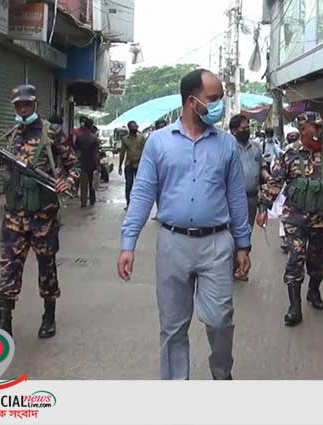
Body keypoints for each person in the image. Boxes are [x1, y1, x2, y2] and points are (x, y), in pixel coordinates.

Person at [118, 68, 252, 380]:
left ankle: (222, 373)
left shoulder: (227, 146)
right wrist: (129, 243)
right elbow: (141, 194)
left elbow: (236, 198)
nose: (219, 105)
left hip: (216, 244)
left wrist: (243, 245)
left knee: (220, 320)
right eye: (214, 99)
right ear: (192, 101)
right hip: (172, 244)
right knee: (173, 326)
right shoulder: (158, 143)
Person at [0, 84, 79, 339]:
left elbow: (74, 165)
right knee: (9, 267)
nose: (23, 108)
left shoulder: (52, 133)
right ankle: (4, 320)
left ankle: (48, 315)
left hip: (43, 217)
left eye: (27, 104)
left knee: (47, 267)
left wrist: (67, 181)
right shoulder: (12, 134)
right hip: (14, 216)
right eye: (19, 105)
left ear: (35, 104)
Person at [256, 112, 323, 327]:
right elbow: (276, 181)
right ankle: (294, 305)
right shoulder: (289, 154)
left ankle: (314, 292)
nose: (319, 129)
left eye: (321, 126)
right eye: (315, 126)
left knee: (319, 262)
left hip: (321, 218)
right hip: (295, 218)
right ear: (303, 129)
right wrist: (263, 206)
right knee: (295, 259)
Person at [229, 114, 262, 282]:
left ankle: (241, 267)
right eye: (243, 128)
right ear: (234, 131)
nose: (246, 130)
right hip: (231, 199)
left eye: (248, 127)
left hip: (251, 199)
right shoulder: (228, 148)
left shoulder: (256, 148)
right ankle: (229, 267)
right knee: (229, 233)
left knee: (246, 232)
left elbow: (261, 172)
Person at [119, 120, 146, 210]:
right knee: (129, 185)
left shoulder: (142, 138)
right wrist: (120, 165)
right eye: (132, 127)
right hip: (129, 164)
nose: (134, 128)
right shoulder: (125, 139)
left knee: (140, 185)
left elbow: (146, 151)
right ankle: (129, 203)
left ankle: (139, 204)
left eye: (135, 126)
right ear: (129, 128)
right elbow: (122, 153)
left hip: (139, 165)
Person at [74, 117, 101, 207]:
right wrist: (98, 165)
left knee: (83, 184)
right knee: (92, 183)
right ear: (91, 126)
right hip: (92, 163)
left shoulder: (79, 137)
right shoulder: (95, 139)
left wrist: (76, 162)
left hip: (82, 162)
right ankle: (92, 200)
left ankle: (83, 201)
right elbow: (96, 154)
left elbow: (77, 151)